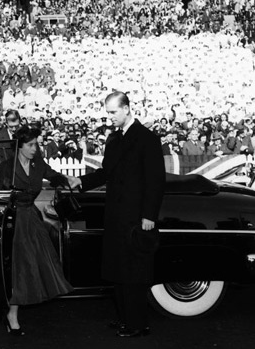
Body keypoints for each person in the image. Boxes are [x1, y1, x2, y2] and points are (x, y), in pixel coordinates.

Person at [72, 92, 165, 337]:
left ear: (126, 109)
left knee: (135, 271)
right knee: (119, 269)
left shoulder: (147, 139)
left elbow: (155, 181)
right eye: (108, 112)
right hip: (115, 215)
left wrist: (149, 216)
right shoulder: (113, 139)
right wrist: (79, 181)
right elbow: (106, 173)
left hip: (137, 217)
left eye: (113, 112)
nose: (110, 117)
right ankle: (125, 318)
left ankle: (137, 323)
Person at [0, 125, 79, 336]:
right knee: (19, 267)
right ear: (19, 146)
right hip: (12, 220)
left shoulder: (38, 163)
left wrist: (70, 179)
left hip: (31, 218)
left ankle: (15, 309)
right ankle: (12, 313)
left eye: (36, 144)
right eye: (30, 145)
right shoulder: (6, 167)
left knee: (35, 265)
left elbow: (54, 175)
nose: (35, 148)